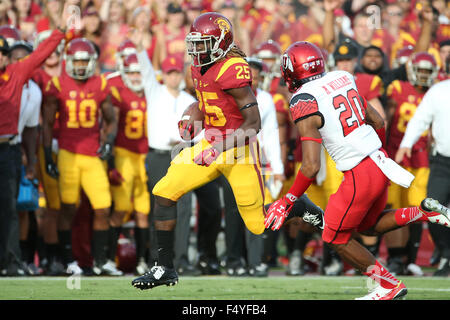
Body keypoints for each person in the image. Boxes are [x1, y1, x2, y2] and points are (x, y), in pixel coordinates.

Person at [265, 41, 450, 300]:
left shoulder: (303, 100)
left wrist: (288, 199)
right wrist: (376, 152)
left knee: (334, 238)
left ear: (292, 71)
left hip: (359, 172)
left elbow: (310, 166)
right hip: (379, 162)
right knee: (368, 226)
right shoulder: (341, 78)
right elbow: (378, 121)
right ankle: (424, 212)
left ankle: (388, 285)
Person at [132, 12, 265, 290]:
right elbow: (208, 104)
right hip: (210, 143)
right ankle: (164, 267)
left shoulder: (233, 67)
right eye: (194, 43)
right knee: (164, 192)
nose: (196, 50)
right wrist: (193, 112)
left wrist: (219, 146)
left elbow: (254, 123)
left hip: (238, 148)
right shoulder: (199, 66)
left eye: (202, 43)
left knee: (258, 223)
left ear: (221, 42)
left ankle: (301, 207)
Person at [42, 38, 119, 276]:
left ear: (92, 61)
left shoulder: (100, 83)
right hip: (67, 152)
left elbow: (111, 119)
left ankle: (100, 260)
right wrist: (47, 155)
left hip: (92, 153)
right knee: (67, 207)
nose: (80, 65)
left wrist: (107, 141)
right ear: (68, 61)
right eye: (77, 60)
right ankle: (68, 260)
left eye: (85, 60)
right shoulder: (57, 84)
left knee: (103, 208)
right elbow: (46, 123)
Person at [0, 21, 66, 275]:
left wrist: (59, 31)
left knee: (10, 209)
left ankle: (12, 261)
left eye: (3, 54)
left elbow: (40, 54)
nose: (1, 58)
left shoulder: (16, 73)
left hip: (8, 148)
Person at [383, 52, 439, 276]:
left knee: (418, 208)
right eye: (421, 70)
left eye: (428, 71)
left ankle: (411, 260)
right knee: (393, 207)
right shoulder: (397, 88)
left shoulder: (436, 93)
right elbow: (386, 119)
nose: (424, 75)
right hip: (396, 155)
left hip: (422, 157)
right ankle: (396, 258)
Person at [396, 78, 450, 276]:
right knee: (432, 208)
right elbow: (420, 119)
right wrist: (406, 143)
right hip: (442, 160)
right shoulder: (439, 90)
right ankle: (446, 253)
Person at [107, 53, 149, 276]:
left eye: (138, 71)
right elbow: (111, 126)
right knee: (120, 208)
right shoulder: (118, 94)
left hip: (145, 156)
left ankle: (142, 259)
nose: (135, 76)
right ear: (124, 73)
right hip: (124, 154)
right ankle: (108, 259)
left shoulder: (153, 93)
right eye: (131, 72)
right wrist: (111, 160)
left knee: (144, 211)